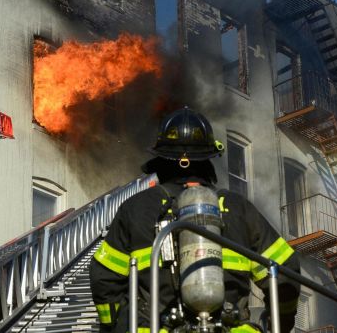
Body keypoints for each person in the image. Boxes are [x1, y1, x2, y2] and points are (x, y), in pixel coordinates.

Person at [90, 107, 300, 332]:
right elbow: (285, 269)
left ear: (160, 162)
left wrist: (115, 326)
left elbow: (104, 278)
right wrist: (278, 324)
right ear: (208, 161)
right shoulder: (238, 209)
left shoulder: (136, 208)